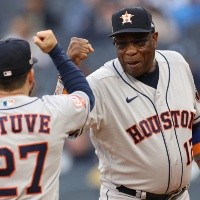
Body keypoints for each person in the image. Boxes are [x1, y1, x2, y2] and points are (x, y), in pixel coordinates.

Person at [61, 6, 200, 200]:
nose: (130, 51)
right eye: (122, 44)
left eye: (139, 41)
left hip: (180, 195)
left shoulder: (177, 64)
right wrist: (66, 70)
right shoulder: (100, 83)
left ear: (154, 38)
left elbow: (195, 125)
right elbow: (63, 125)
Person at [0, 29, 94, 200]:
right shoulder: (51, 111)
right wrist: (57, 53)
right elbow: (86, 96)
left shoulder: (52, 109)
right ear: (31, 76)